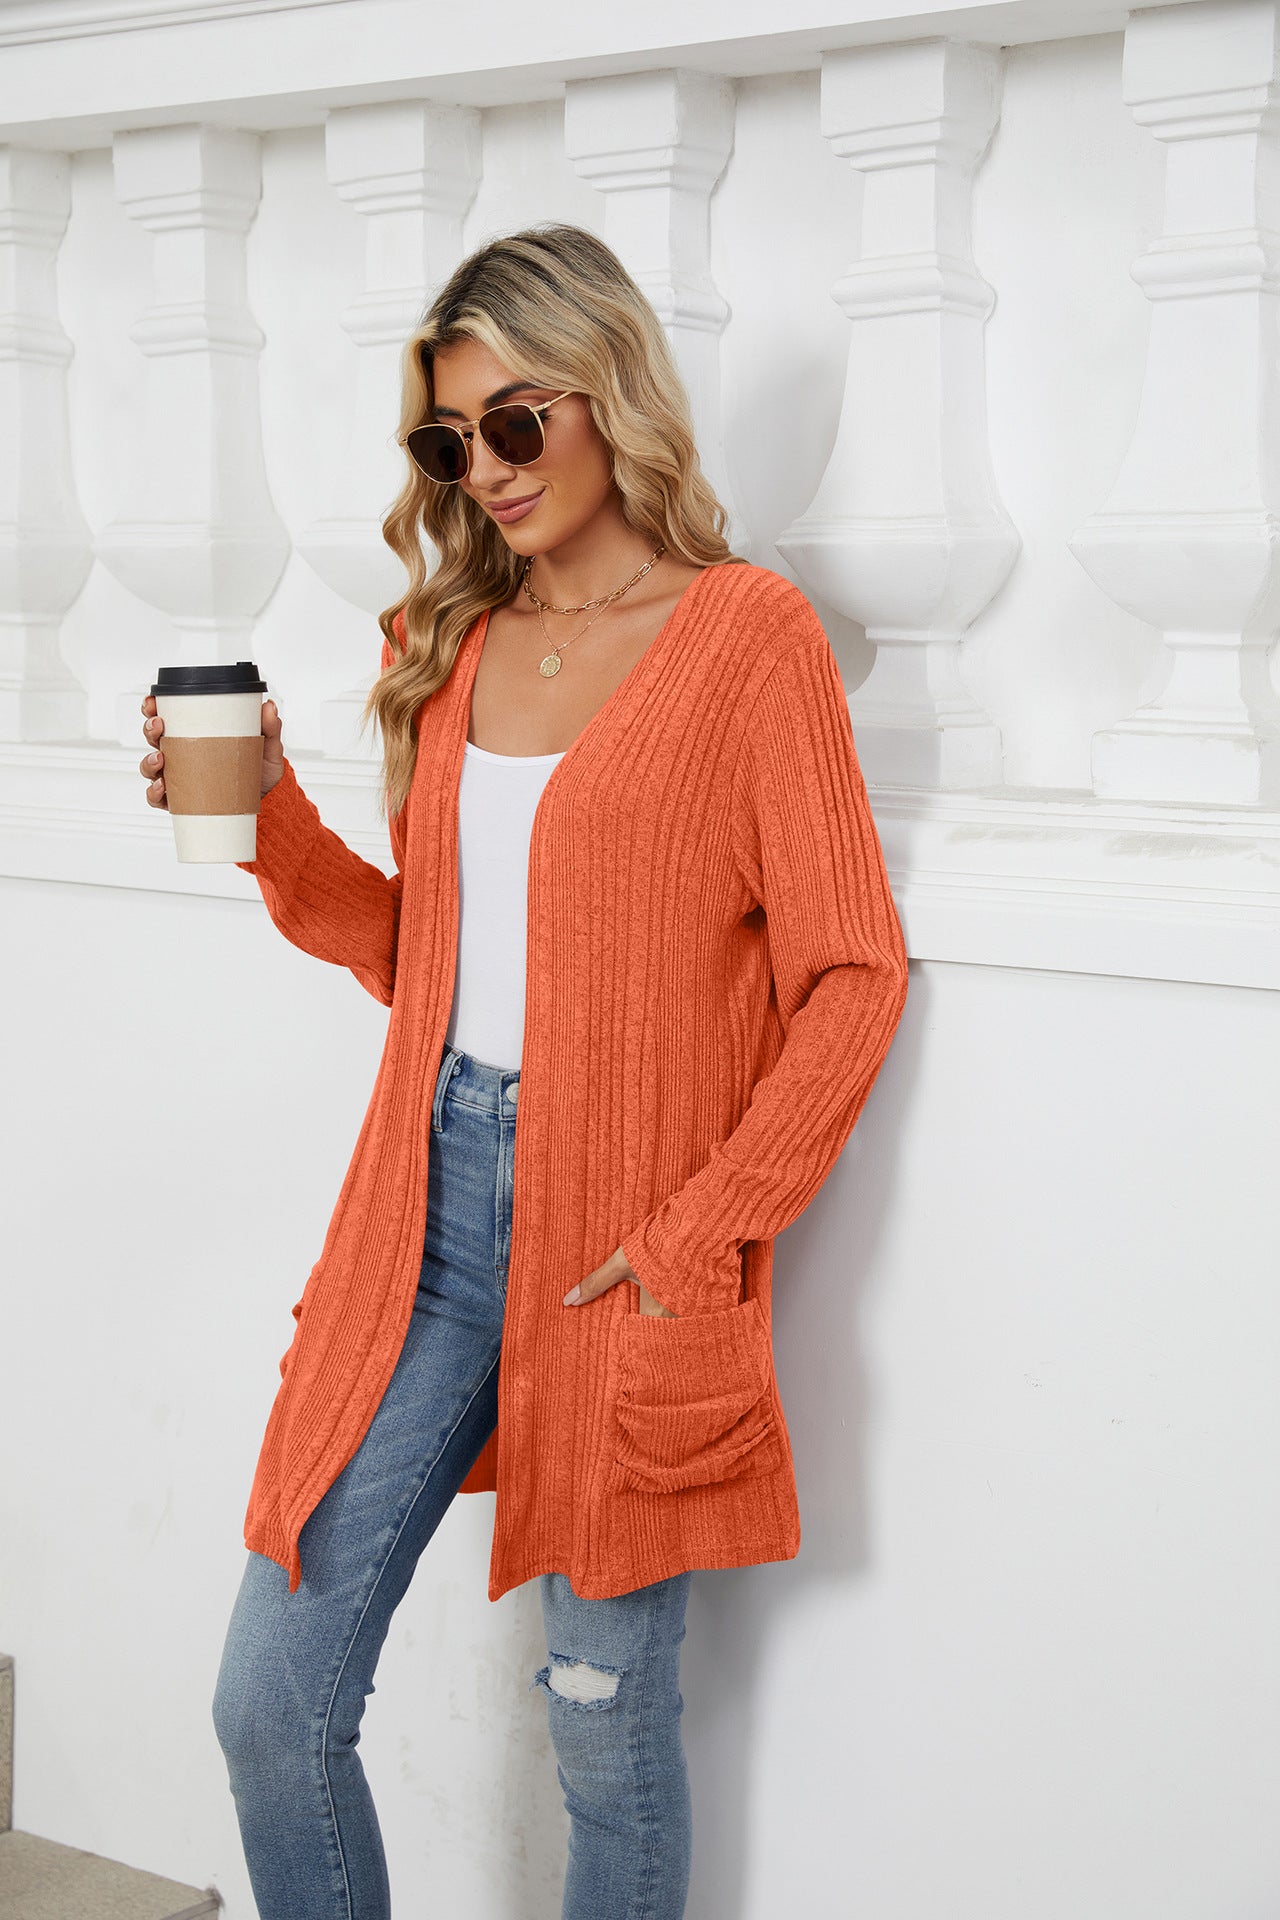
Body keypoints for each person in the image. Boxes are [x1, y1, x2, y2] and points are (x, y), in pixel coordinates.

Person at [139, 221, 909, 1920]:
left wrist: (705, 1227)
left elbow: (853, 971)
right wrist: (268, 821)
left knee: (605, 1733)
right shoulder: (453, 641)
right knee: (271, 1705)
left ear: (609, 391)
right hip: (424, 1222)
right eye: (446, 440)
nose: (481, 468)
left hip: (624, 1249)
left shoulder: (746, 638)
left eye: (513, 420)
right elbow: (427, 956)